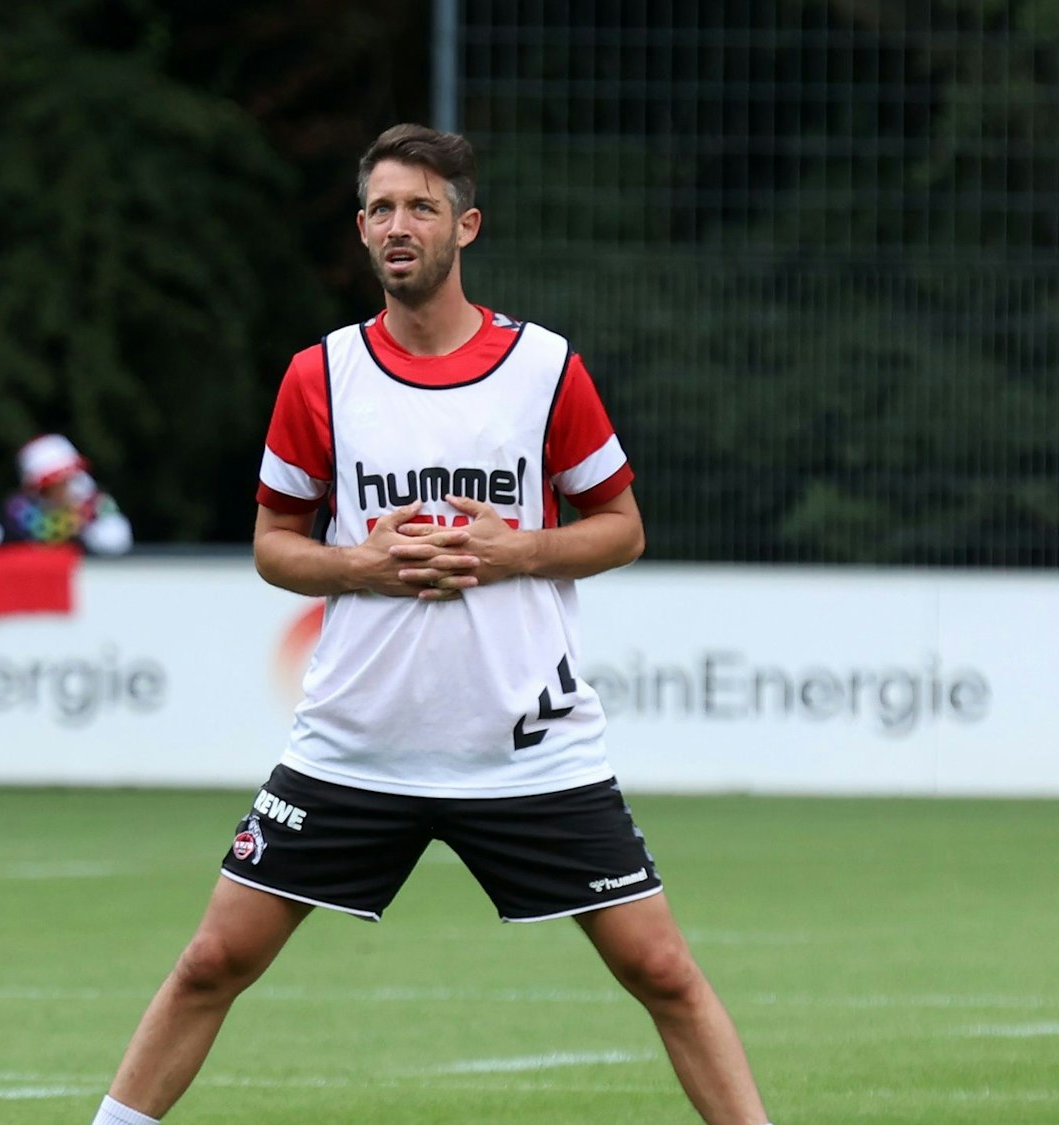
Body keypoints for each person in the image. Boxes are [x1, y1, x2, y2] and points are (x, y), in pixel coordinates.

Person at [89, 125, 772, 1125]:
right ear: (360, 230)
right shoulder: (318, 375)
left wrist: (518, 551)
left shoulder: (543, 370)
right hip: (355, 746)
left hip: (525, 748)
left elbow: (620, 528)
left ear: (465, 225)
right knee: (211, 961)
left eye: (418, 206)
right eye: (377, 208)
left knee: (661, 970)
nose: (395, 225)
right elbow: (275, 545)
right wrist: (360, 564)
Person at [0, 432, 132, 555]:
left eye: (69, 478)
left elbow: (116, 541)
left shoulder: (96, 511)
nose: (67, 488)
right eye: (56, 482)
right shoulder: (12, 519)